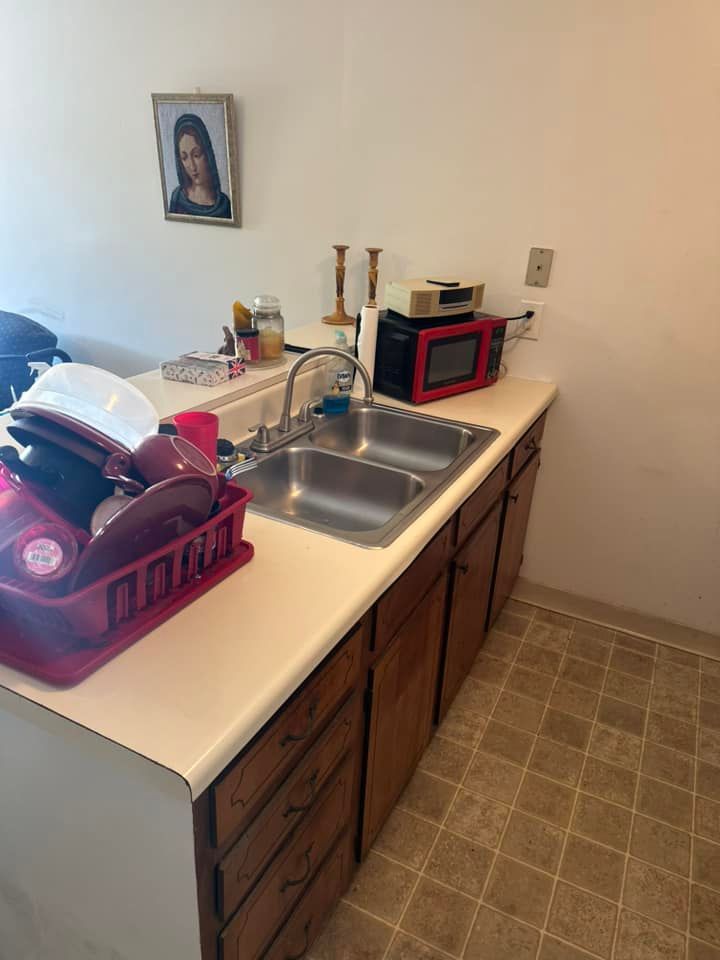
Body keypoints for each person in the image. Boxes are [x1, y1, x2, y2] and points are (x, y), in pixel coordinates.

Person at [169, 113, 231, 219]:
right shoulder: (177, 197)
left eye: (196, 155)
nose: (192, 166)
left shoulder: (223, 205)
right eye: (184, 158)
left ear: (207, 154)